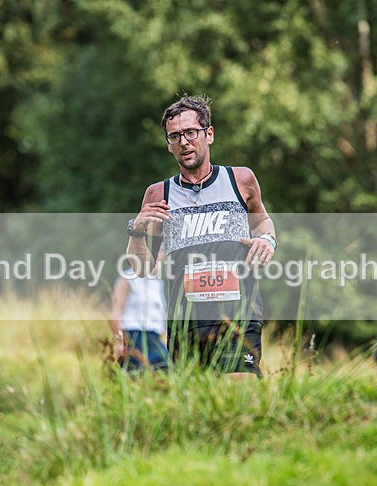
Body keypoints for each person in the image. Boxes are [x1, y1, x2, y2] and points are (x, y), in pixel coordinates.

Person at [126, 94, 277, 379]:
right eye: (174, 137)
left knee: (239, 387)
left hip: (239, 314)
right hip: (186, 322)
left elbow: (263, 224)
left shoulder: (241, 180)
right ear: (169, 146)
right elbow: (144, 268)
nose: (183, 142)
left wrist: (267, 242)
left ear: (209, 134)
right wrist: (137, 230)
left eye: (190, 133)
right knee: (195, 406)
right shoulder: (158, 194)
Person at [111, 266, 169, 372]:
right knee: (136, 373)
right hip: (133, 335)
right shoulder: (128, 278)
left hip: (153, 337)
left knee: (163, 369)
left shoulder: (158, 283)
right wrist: (119, 341)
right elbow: (117, 310)